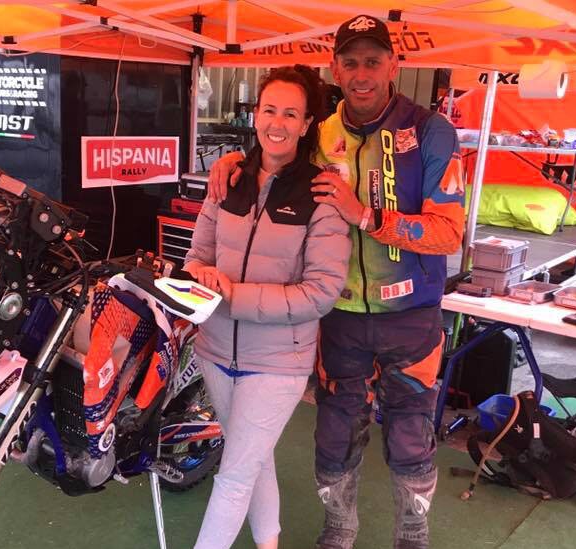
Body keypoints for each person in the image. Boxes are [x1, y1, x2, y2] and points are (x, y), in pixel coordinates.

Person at [207, 15, 465, 549]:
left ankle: (412, 536)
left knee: (411, 435)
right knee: (334, 433)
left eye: (373, 61)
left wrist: (368, 216)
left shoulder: (432, 131)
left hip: (411, 315)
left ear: (395, 65)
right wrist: (235, 159)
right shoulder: (321, 134)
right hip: (339, 318)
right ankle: (339, 530)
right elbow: (273, 155)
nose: (362, 73)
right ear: (335, 68)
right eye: (350, 62)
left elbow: (449, 234)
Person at [184, 65, 351, 549]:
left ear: (306, 125)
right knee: (252, 459)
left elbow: (320, 292)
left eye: (291, 113)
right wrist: (202, 275)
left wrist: (230, 293)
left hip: (277, 363)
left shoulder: (321, 195)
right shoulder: (229, 178)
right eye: (269, 109)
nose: (277, 122)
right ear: (256, 114)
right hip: (215, 350)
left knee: (234, 475)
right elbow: (197, 258)